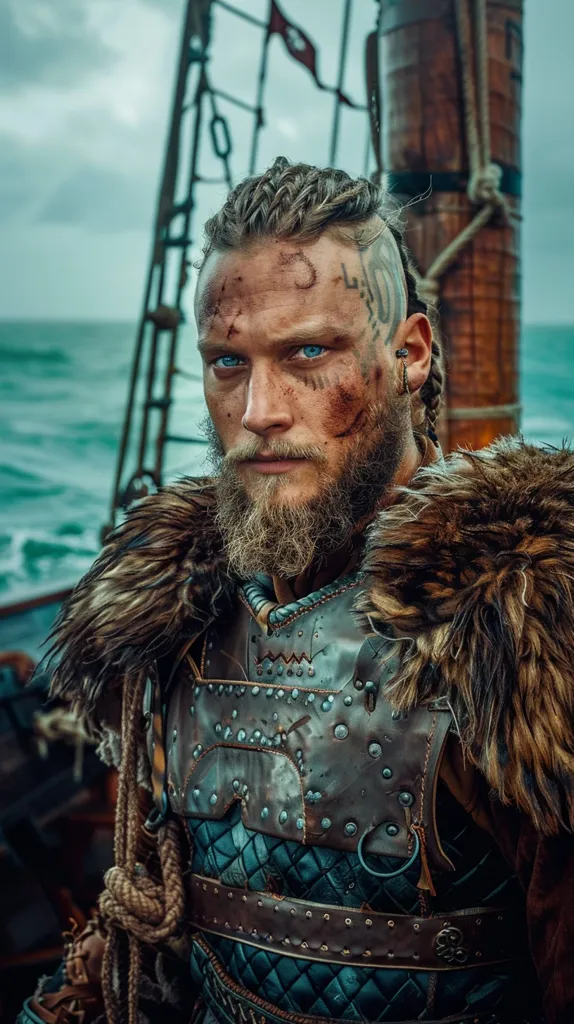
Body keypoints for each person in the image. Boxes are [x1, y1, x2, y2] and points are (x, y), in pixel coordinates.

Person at [19, 158, 574, 1024]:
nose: (258, 411)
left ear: (409, 354)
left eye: (308, 352)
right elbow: (156, 926)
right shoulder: (176, 617)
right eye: (227, 362)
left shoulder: (520, 634)